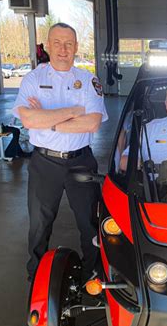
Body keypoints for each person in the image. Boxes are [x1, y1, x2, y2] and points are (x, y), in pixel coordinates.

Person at [13, 23, 108, 282]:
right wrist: (73, 111)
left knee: (90, 222)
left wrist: (49, 119)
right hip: (45, 162)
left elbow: (92, 123)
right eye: (57, 42)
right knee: (39, 225)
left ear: (76, 47)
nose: (63, 49)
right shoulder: (34, 78)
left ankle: (93, 274)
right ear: (47, 46)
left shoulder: (90, 80)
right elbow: (28, 119)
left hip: (81, 161)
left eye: (69, 43)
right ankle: (35, 277)